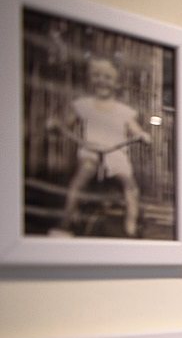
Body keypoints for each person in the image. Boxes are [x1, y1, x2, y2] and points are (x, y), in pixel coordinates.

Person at [46, 57, 152, 238]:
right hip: (91, 150)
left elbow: (136, 130)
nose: (102, 81)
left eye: (108, 77)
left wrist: (142, 135)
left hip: (116, 151)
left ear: (116, 83)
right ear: (90, 79)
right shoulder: (84, 105)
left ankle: (131, 226)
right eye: (97, 76)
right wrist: (56, 125)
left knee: (130, 184)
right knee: (80, 179)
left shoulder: (123, 110)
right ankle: (65, 223)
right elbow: (66, 123)